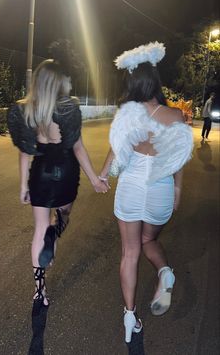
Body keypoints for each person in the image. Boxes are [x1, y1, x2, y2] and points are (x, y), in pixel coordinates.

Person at [99, 42, 193, 343]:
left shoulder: (128, 115)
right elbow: (178, 157)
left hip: (131, 186)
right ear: (156, 83)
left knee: (130, 252)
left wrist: (102, 175)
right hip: (160, 188)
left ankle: (130, 317)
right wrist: (178, 189)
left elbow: (115, 153)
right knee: (149, 239)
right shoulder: (176, 116)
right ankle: (165, 272)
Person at [7, 55, 108, 308]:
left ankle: (39, 292)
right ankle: (54, 235)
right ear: (59, 82)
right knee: (62, 217)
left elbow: (24, 152)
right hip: (65, 170)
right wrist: (95, 179)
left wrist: (23, 187)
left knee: (38, 228)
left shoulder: (24, 108)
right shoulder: (69, 107)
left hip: (40, 171)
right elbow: (78, 147)